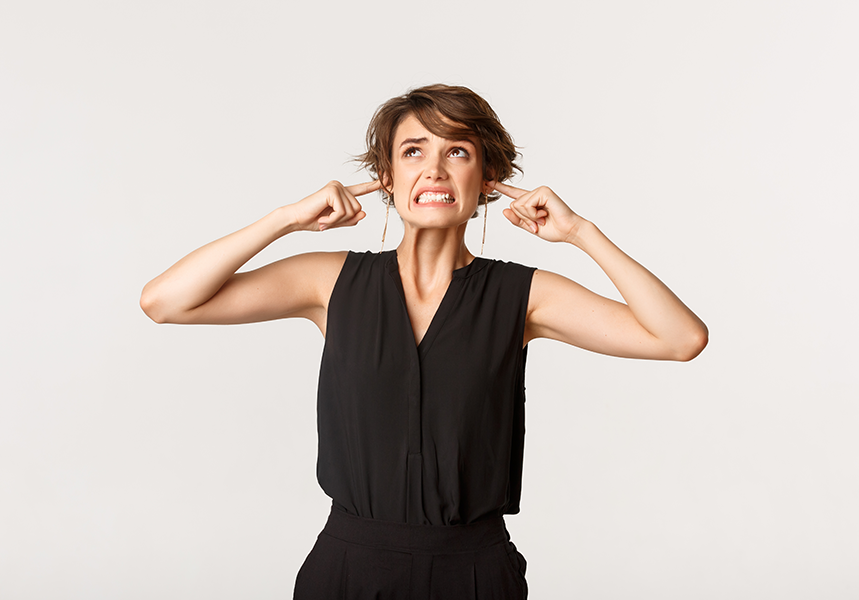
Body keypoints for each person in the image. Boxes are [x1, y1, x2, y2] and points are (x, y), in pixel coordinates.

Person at [140, 84, 708, 599]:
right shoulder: (328, 280)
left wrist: (582, 233)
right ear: (387, 177)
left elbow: (681, 338)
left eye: (456, 151)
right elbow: (165, 302)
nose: (433, 170)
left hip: (475, 573)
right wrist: (286, 220)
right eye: (413, 151)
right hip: (348, 570)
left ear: (487, 180)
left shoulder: (525, 295)